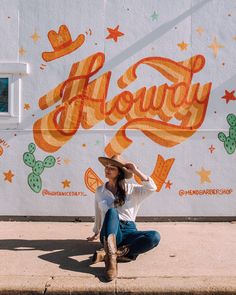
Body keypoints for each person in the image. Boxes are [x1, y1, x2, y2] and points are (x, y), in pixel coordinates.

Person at [86, 154, 161, 281]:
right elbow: (98, 213)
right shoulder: (100, 190)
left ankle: (113, 253)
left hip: (129, 231)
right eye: (106, 167)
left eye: (112, 168)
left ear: (120, 172)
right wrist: (96, 232)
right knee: (112, 212)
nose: (107, 170)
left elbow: (152, 188)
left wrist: (136, 171)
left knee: (155, 236)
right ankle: (111, 264)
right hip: (110, 232)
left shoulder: (132, 189)